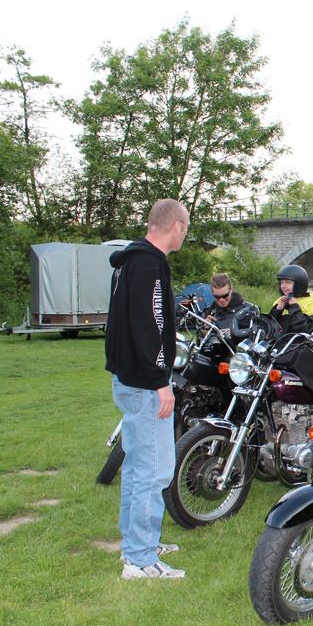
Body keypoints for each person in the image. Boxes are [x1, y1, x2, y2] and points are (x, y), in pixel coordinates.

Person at [105, 199, 190, 580]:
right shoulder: (150, 265)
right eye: (185, 228)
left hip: (128, 378)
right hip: (145, 383)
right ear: (177, 225)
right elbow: (149, 325)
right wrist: (160, 381)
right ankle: (139, 558)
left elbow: (129, 321)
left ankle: (138, 543)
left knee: (138, 466)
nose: (185, 235)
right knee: (154, 471)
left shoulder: (129, 261)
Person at [270, 264, 313, 334]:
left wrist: (294, 307)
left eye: (288, 282)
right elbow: (270, 327)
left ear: (300, 283)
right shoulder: (280, 301)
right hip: (281, 339)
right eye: (282, 282)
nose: (283, 286)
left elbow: (306, 329)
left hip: (298, 340)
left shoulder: (312, 301)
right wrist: (277, 311)